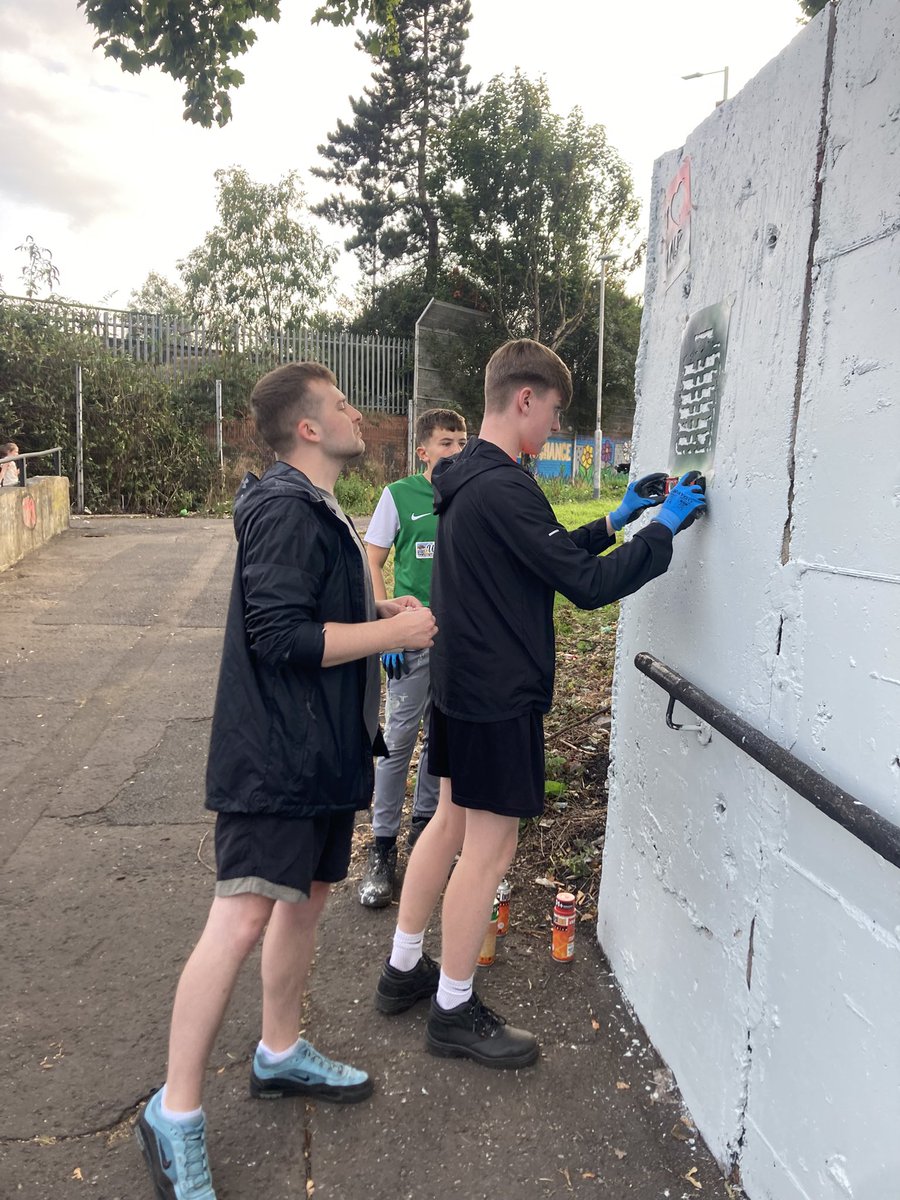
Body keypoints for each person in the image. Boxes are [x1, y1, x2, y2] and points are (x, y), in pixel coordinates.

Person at [135, 362, 437, 1200]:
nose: (355, 415)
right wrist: (390, 636)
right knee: (237, 921)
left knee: (305, 903)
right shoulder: (280, 507)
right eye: (342, 404)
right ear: (308, 427)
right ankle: (175, 1113)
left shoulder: (318, 507)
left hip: (321, 755)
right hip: (273, 761)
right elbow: (279, 635)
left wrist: (384, 617)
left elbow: (311, 612)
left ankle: (278, 1052)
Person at [374, 338, 706, 1067]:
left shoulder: (466, 481)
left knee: (447, 824)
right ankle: (453, 1011)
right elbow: (584, 587)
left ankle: (403, 969)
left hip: (460, 687)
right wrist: (665, 532)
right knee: (489, 853)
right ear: (525, 399)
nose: (554, 426)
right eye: (553, 411)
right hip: (497, 696)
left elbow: (541, 555)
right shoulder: (504, 486)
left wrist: (619, 519)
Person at [359, 408, 468, 907]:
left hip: (460, 642)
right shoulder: (399, 496)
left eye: (462, 442)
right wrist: (386, 632)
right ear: (423, 451)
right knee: (398, 740)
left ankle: (424, 835)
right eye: (446, 443)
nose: (456, 451)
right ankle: (381, 847)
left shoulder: (471, 492)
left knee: (441, 741)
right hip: (410, 640)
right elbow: (372, 559)